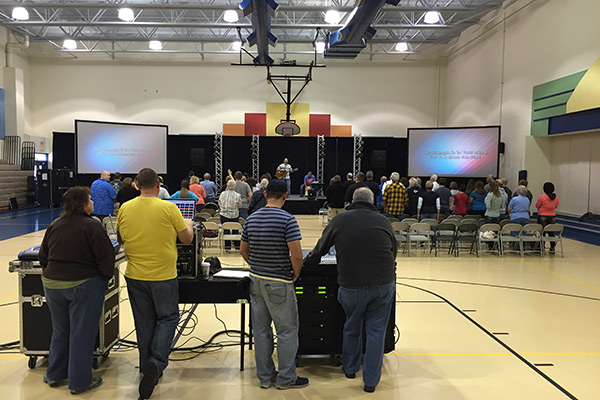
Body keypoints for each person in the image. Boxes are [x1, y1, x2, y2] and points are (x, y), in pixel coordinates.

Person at [304, 188, 396, 393]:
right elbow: (393, 250)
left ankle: (350, 369)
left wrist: (306, 265)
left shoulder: (340, 220)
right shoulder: (383, 221)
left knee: (352, 325)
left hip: (351, 285)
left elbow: (319, 250)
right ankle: (371, 381)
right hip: (383, 284)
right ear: (372, 201)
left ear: (352, 201)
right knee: (376, 331)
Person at [117, 168, 194, 400]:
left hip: (134, 275)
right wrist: (188, 223)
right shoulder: (169, 207)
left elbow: (120, 238)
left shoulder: (125, 208)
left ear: (137, 185)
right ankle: (157, 362)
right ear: (158, 186)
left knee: (144, 322)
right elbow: (187, 239)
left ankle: (145, 368)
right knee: (168, 318)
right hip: (163, 275)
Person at [39, 186, 114, 395]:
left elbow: (43, 256)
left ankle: (54, 374)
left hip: (52, 285)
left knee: (60, 331)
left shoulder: (55, 225)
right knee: (82, 333)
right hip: (82, 285)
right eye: (90, 199)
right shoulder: (93, 226)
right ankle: (80, 381)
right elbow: (106, 260)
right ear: (83, 204)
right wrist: (102, 279)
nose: (92, 202)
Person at [240, 179, 308, 390]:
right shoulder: (287, 220)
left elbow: (243, 250)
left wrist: (257, 264)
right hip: (279, 283)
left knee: (261, 332)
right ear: (285, 196)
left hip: (256, 281)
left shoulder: (251, 219)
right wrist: (295, 274)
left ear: (266, 193)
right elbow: (296, 255)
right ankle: (286, 379)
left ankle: (265, 377)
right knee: (287, 331)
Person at [536, 182, 559, 253]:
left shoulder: (542, 197)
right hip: (552, 215)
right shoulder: (556, 197)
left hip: (542, 215)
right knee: (551, 232)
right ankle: (552, 247)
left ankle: (541, 247)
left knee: (542, 232)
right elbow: (556, 206)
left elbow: (537, 205)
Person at [219, 179, 242, 250]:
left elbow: (219, 203)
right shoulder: (237, 195)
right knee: (235, 230)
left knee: (226, 230)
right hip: (234, 215)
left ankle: (227, 247)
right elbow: (240, 205)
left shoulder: (222, 194)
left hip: (223, 214)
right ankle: (237, 246)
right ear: (234, 186)